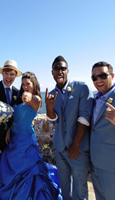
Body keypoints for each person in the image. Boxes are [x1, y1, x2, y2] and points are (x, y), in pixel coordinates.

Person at [0, 72, 61, 200]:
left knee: (30, 172)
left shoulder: (37, 99)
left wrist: (28, 96)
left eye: (28, 84)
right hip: (13, 139)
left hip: (26, 142)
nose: (25, 87)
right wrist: (9, 130)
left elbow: (33, 100)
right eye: (23, 84)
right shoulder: (20, 97)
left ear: (34, 84)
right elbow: (17, 118)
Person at [45, 56, 94, 200]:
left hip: (77, 148)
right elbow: (54, 120)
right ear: (52, 72)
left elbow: (85, 117)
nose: (59, 71)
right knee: (65, 186)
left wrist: (76, 143)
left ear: (68, 71)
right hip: (60, 147)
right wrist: (48, 108)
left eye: (63, 68)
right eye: (56, 69)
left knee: (80, 187)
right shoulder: (52, 93)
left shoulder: (82, 87)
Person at [90, 61, 115, 200]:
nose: (98, 80)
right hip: (95, 163)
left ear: (112, 75)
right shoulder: (95, 99)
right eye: (94, 77)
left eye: (102, 76)